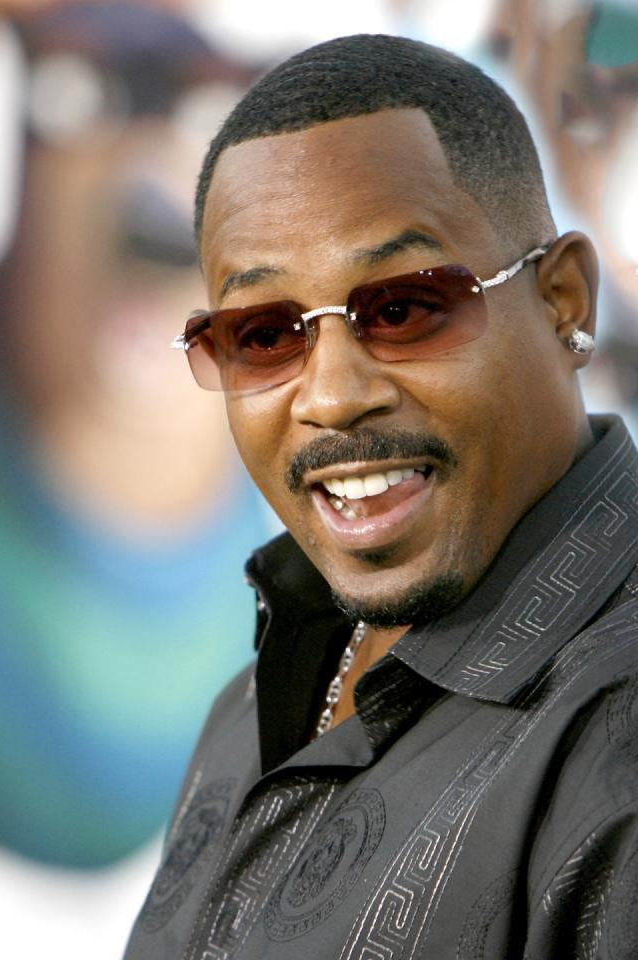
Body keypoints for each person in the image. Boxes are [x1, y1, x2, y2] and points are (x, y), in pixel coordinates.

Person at [124, 34, 638, 959]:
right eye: (265, 335)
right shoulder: (262, 696)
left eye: (401, 309)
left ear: (563, 301)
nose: (330, 396)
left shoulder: (618, 737)